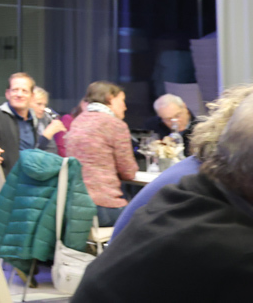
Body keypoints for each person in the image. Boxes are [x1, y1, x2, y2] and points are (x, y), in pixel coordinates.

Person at [71, 92, 253, 302]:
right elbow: (128, 170)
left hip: (85, 206)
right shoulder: (236, 252)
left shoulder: (180, 194)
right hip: (104, 205)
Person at [111, 83, 253, 239]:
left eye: (177, 116)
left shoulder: (198, 169)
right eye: (167, 119)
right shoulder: (204, 184)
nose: (174, 122)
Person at [0, 73, 65, 177]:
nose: (19, 94)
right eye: (15, 90)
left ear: (31, 96)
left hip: (29, 182)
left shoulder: (34, 121)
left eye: (24, 91)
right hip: (1, 183)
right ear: (7, 94)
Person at [63, 81, 138, 226]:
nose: (125, 106)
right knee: (148, 218)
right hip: (103, 207)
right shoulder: (115, 125)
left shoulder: (77, 121)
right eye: (122, 101)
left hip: (76, 207)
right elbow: (128, 172)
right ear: (110, 98)